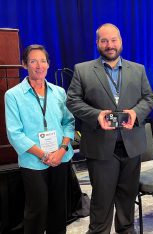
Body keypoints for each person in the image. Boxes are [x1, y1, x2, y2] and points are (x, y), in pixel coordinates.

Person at [66, 23, 153, 234]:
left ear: (121, 41)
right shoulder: (83, 70)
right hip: (100, 146)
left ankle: (126, 230)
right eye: (104, 40)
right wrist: (96, 115)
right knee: (102, 199)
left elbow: (148, 99)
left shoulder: (138, 69)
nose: (109, 45)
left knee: (127, 197)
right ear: (97, 43)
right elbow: (72, 101)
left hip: (131, 145)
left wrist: (136, 113)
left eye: (113, 40)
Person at [5, 44, 75, 234]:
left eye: (43, 61)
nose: (39, 65)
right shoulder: (13, 95)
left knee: (59, 209)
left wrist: (61, 150)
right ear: (24, 65)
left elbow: (69, 122)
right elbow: (15, 133)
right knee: (37, 210)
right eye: (33, 61)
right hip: (33, 162)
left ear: (48, 64)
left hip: (61, 158)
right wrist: (44, 155)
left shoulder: (59, 92)